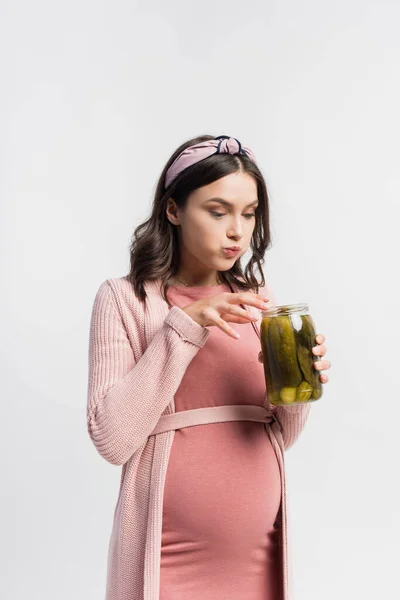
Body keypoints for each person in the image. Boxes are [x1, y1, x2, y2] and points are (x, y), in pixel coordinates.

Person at [86, 134, 331, 600]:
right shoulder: (124, 299)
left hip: (256, 558)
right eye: (218, 212)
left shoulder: (259, 301)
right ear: (173, 210)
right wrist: (181, 329)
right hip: (167, 561)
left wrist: (301, 382)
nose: (237, 230)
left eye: (249, 212)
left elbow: (280, 435)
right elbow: (111, 439)